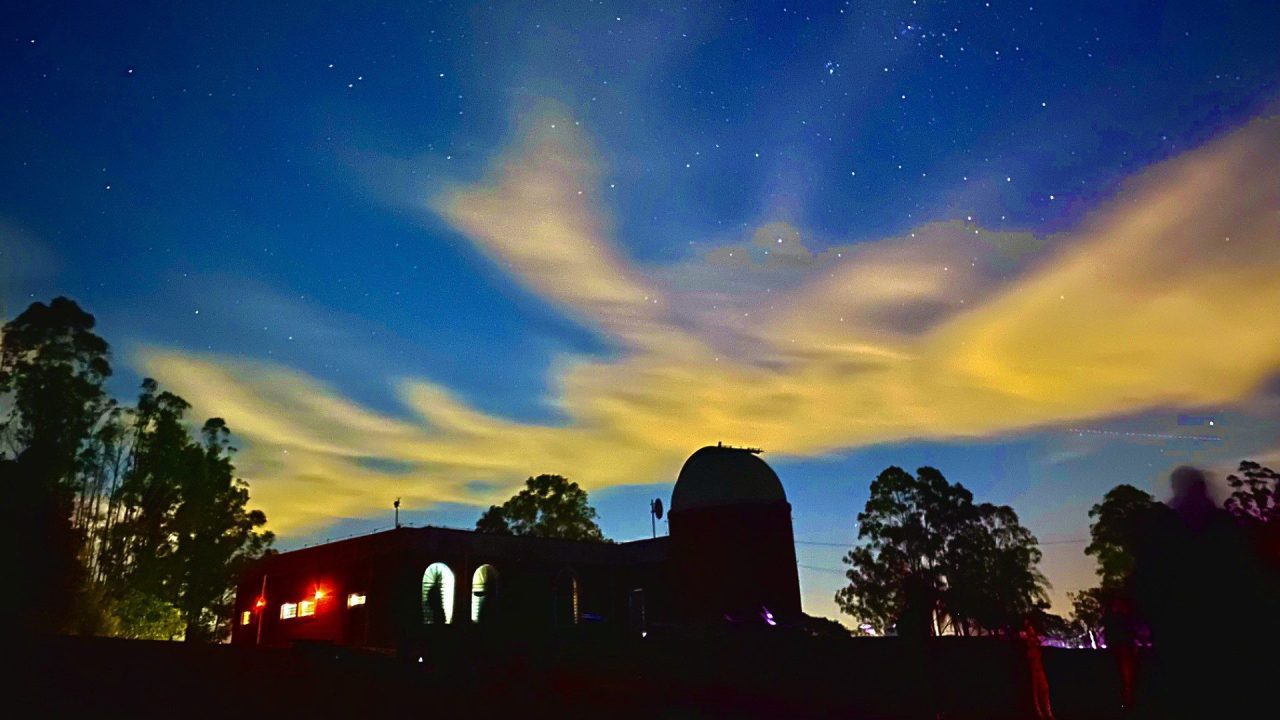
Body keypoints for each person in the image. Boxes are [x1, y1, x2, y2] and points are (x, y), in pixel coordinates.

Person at [1019, 615, 1055, 720]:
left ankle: (1048, 712)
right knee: (1035, 691)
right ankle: (1039, 713)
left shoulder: (1034, 638)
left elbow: (1039, 640)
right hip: (1032, 666)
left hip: (1038, 666)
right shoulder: (1024, 637)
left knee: (1044, 689)